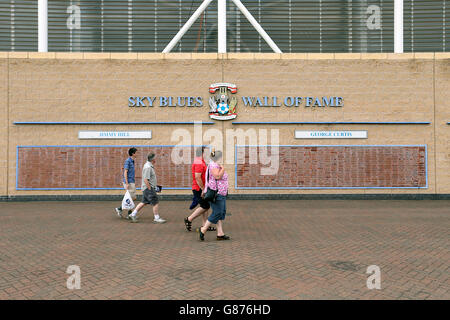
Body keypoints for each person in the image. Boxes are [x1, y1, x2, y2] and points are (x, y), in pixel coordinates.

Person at [199, 150, 230, 241]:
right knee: (217, 213)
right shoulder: (213, 165)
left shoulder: (215, 165)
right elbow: (217, 176)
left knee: (219, 213)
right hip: (216, 194)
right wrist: (223, 169)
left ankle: (220, 233)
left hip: (220, 193)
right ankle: (204, 229)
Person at [184, 147, 216, 232]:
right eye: (205, 152)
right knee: (205, 206)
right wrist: (203, 189)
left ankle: (205, 225)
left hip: (201, 188)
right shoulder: (198, 162)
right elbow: (198, 177)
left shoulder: (201, 161)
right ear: (201, 153)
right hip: (198, 188)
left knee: (205, 205)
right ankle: (189, 219)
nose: (206, 154)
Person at [129, 153, 166, 224]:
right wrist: (150, 189)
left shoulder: (149, 166)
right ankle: (156, 218)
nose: (156, 160)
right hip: (148, 188)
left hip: (147, 188)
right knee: (155, 202)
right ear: (153, 159)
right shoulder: (148, 167)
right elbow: (146, 179)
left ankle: (132, 214)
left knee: (143, 202)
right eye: (155, 158)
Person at [116, 147, 137, 219]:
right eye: (136, 152)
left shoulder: (132, 161)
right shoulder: (128, 161)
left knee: (132, 198)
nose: (137, 154)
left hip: (132, 181)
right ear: (133, 153)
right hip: (129, 182)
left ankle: (120, 209)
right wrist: (127, 183)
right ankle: (129, 214)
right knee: (131, 198)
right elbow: (125, 172)